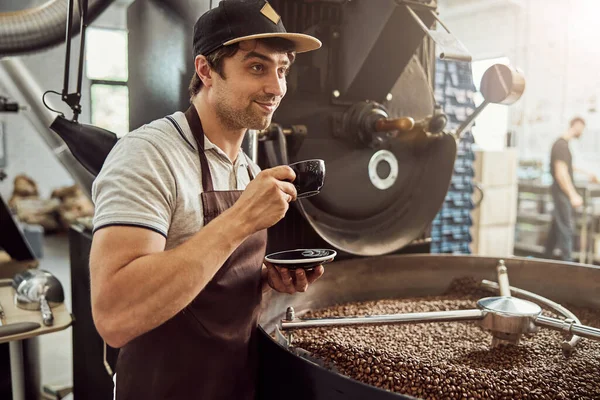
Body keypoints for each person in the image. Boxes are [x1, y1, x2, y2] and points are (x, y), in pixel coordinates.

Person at [89, 1, 323, 399]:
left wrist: (263, 279)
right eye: (256, 67)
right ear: (206, 70)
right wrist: (240, 219)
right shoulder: (147, 154)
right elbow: (115, 314)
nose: (277, 87)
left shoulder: (247, 168)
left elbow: (209, 275)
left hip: (236, 384)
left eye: (282, 69)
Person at [544, 117, 598, 261]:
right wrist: (573, 195)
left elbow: (568, 166)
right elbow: (561, 173)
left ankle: (545, 258)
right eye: (582, 128)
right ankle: (569, 266)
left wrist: (588, 174)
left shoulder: (563, 145)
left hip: (561, 192)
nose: (582, 132)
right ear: (576, 125)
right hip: (562, 193)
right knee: (566, 229)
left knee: (556, 229)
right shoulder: (561, 145)